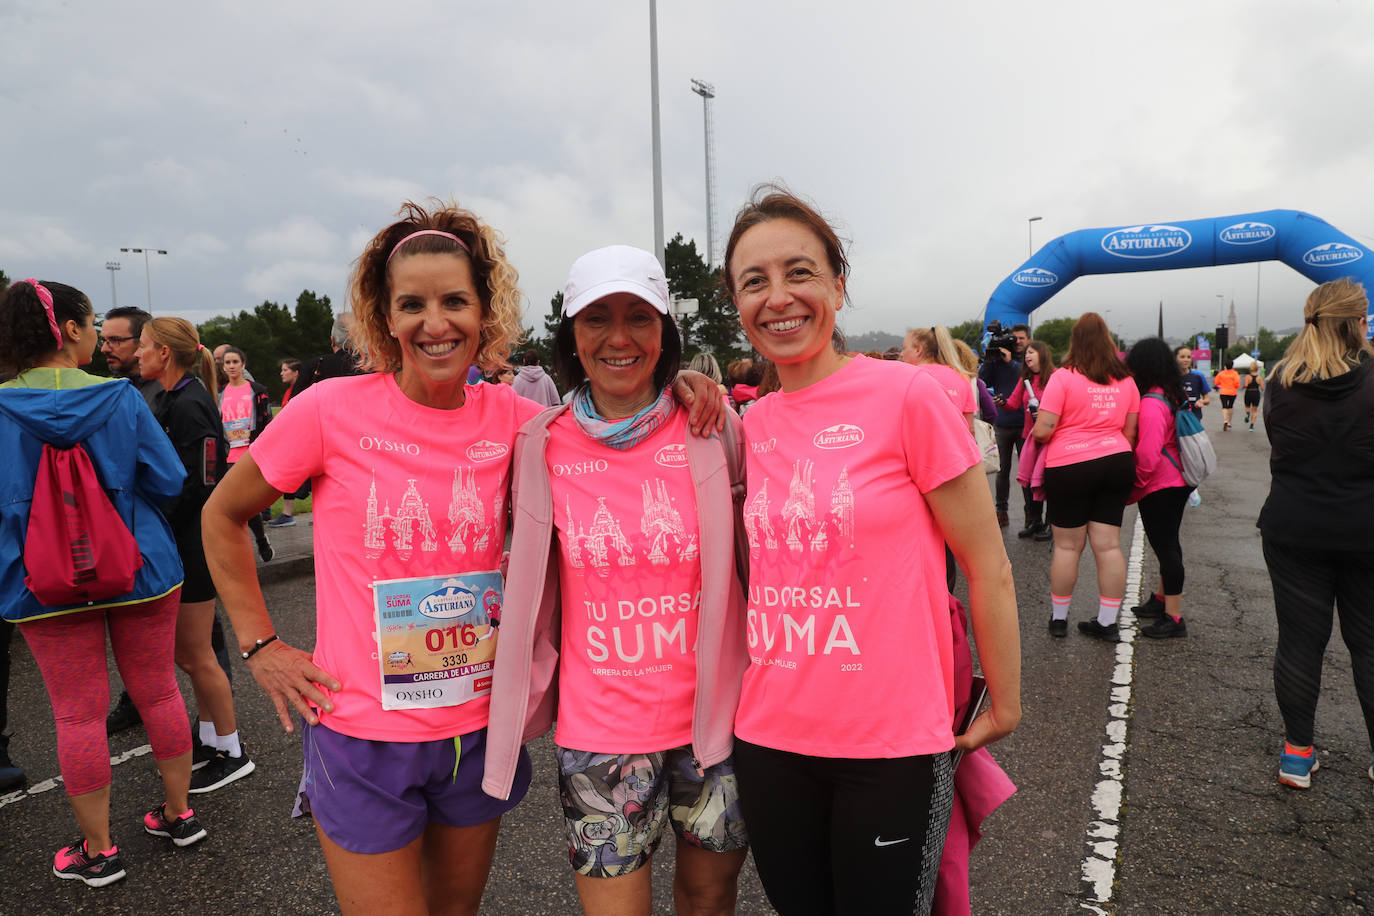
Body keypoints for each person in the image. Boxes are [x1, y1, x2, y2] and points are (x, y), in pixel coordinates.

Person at [201, 200, 723, 914]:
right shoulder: (328, 410)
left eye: (455, 301)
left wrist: (689, 388)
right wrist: (261, 644)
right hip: (364, 731)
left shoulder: (521, 423)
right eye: (411, 304)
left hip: (477, 730)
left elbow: (616, 425)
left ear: (484, 314)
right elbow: (222, 515)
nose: (434, 322)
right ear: (384, 317)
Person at [721, 187, 1021, 915]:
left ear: (838, 284)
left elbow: (988, 565)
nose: (778, 297)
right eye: (753, 281)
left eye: (799, 272)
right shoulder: (745, 428)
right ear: (737, 303)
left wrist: (1005, 699)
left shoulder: (907, 397)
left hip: (892, 747)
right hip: (769, 739)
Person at [485, 245, 750, 915]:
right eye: (597, 317)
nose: (620, 337)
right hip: (599, 731)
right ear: (571, 332)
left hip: (715, 724)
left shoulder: (713, 428)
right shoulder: (539, 443)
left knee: (709, 898)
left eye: (640, 316)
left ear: (666, 329)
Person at [0, 279, 205, 887]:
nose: (97, 333)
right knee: (160, 692)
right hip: (141, 567)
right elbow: (169, 480)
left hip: (41, 582)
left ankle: (100, 849)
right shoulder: (120, 397)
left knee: (76, 716)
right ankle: (178, 814)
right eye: (90, 322)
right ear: (67, 330)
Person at [1257, 278, 1374, 792]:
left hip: (1293, 524)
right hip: (1365, 527)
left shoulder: (1279, 380)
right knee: (1369, 645)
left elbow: (1278, 444)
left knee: (1300, 642)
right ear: (1356, 323)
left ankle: (1297, 755)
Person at [137, 318, 256, 791]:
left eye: (144, 346)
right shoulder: (170, 397)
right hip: (178, 539)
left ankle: (232, 751)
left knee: (196, 654)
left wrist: (154, 513)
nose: (138, 354)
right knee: (191, 655)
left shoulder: (190, 404)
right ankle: (211, 740)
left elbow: (204, 480)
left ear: (165, 352)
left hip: (193, 542)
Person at [1032, 312, 1139, 641]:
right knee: (1108, 547)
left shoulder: (1063, 378)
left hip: (1070, 465)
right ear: (1108, 340)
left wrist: (1040, 428)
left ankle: (1059, 619)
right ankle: (1107, 623)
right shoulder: (1127, 380)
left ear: (1074, 341)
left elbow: (1043, 431)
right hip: (1117, 460)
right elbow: (1130, 432)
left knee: (1067, 547)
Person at [1124, 338, 1194, 639]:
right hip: (1176, 479)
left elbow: (1148, 454)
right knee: (1169, 545)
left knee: (1166, 549)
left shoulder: (1152, 402)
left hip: (1160, 484)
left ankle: (1174, 617)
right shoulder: (1170, 393)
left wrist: (1135, 485)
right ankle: (1162, 599)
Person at [217, 346, 274, 561]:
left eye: (235, 362)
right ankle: (243, 547)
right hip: (228, 455)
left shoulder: (256, 390)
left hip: (250, 453)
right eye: (227, 363)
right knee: (233, 505)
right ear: (223, 367)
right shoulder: (219, 394)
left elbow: (267, 421)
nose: (231, 366)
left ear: (243, 364)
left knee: (247, 503)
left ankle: (260, 540)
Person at [979, 323, 1030, 528]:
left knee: (1026, 472)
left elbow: (1026, 377)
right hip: (1003, 422)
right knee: (1002, 470)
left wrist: (1010, 362)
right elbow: (982, 381)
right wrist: (989, 360)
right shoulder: (996, 360)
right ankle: (1001, 511)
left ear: (1028, 340)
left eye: (1021, 338)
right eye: (1015, 338)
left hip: (1025, 423)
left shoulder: (1028, 359)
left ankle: (1031, 514)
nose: (1017, 342)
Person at [1005, 340, 1056, 540]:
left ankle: (1052, 524)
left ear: (1042, 354)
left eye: (1031, 352)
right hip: (1030, 438)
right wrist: (999, 402)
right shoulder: (1025, 379)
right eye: (1026, 353)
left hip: (1050, 438)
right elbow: (1013, 403)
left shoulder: (1055, 377)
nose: (1027, 356)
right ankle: (1035, 521)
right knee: (1029, 482)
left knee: (1049, 481)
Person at [901, 326, 977, 432]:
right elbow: (970, 428)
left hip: (921, 447)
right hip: (956, 447)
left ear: (918, 350)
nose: (901, 354)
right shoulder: (962, 376)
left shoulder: (907, 378)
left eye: (904, 348)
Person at [99, 306, 159, 406]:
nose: (104, 349)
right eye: (103, 341)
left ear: (142, 341)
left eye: (115, 340)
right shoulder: (106, 391)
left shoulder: (169, 393)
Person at [1175, 344, 1211, 419]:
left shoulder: (1198, 376)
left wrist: (1201, 401)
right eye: (1182, 357)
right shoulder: (1170, 377)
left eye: (1189, 357)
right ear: (1175, 358)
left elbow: (1207, 399)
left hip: (1194, 419)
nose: (1186, 360)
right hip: (1175, 419)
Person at [1213, 359, 1241, 430]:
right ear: (1232, 365)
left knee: (1224, 407)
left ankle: (1225, 420)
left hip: (1223, 392)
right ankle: (1229, 422)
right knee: (1230, 406)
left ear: (1225, 365)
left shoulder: (1221, 373)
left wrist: (1221, 384)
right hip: (1232, 392)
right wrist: (1235, 386)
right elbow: (1237, 383)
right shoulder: (1235, 373)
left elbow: (1216, 382)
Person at [1242, 362, 1265, 430]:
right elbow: (1262, 388)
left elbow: (1246, 385)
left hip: (1248, 392)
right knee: (1254, 410)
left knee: (1247, 406)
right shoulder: (1259, 377)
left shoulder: (1247, 377)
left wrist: (1244, 386)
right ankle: (1251, 426)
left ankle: (1247, 413)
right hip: (1256, 393)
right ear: (1257, 369)